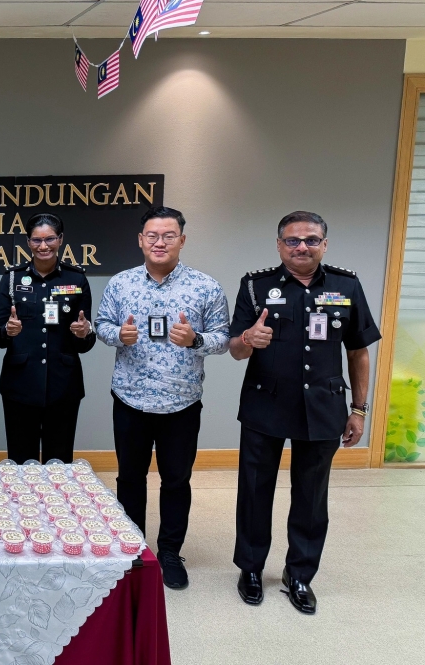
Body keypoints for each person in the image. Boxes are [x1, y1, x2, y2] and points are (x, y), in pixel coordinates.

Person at [229, 211, 380, 615]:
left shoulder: (346, 285)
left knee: (312, 496)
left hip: (323, 407)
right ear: (279, 245)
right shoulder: (256, 286)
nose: (302, 247)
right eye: (293, 240)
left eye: (311, 240)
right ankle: (251, 569)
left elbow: (358, 351)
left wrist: (359, 409)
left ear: (324, 245)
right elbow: (235, 349)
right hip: (265, 403)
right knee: (254, 491)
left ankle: (299, 574)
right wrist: (248, 338)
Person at [94, 205, 229, 590]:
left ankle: (170, 552)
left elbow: (223, 337)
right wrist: (118, 335)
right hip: (130, 400)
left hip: (181, 403)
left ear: (181, 240)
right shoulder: (121, 284)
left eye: (168, 236)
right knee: (129, 478)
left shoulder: (205, 286)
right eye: (152, 235)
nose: (159, 242)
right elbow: (101, 325)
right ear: (140, 240)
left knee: (176, 480)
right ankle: (133, 549)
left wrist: (196, 340)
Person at [0, 213, 95, 463]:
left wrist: (84, 334)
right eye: (36, 240)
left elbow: (85, 341)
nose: (43, 246)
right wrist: (8, 331)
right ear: (28, 242)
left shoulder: (76, 278)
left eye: (50, 239)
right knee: (20, 461)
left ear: (60, 239)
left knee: (59, 462)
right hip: (20, 385)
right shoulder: (12, 279)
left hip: (64, 385)